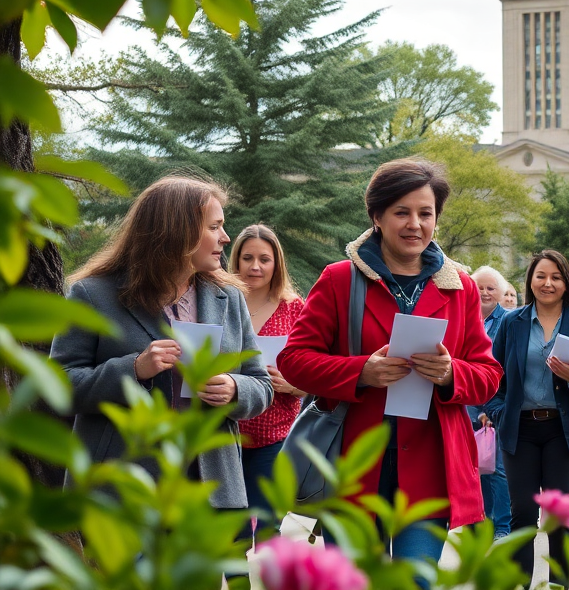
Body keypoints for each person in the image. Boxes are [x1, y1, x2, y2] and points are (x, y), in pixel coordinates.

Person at [278, 158, 503, 569]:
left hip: (430, 469)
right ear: (377, 217)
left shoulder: (461, 288)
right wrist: (359, 372)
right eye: (402, 212)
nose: (415, 224)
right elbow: (293, 360)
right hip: (353, 467)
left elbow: (488, 376)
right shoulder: (339, 280)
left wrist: (452, 374)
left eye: (425, 213)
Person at [53, 176, 272, 517]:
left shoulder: (229, 297)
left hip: (211, 491)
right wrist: (133, 369)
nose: (225, 237)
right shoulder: (93, 295)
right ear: (177, 231)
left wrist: (234, 388)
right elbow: (59, 387)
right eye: (214, 227)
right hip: (120, 493)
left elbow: (262, 385)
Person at [484, 249, 569, 586]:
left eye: (555, 277)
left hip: (564, 430)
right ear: (530, 281)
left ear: (566, 283)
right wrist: (498, 412)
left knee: (558, 516)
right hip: (519, 430)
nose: (548, 283)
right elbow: (492, 375)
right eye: (541, 276)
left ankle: (559, 584)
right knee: (522, 515)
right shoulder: (512, 322)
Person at [229, 224, 307, 541]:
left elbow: (316, 373)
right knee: (231, 533)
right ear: (236, 260)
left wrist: (294, 384)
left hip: (276, 434)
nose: (255, 267)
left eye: (264, 259)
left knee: (266, 531)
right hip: (226, 432)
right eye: (247, 258)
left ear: (277, 264)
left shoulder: (295, 309)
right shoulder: (222, 301)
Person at [469, 265, 511, 539]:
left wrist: (490, 409)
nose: (484, 292)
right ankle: (476, 525)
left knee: (497, 468)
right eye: (479, 287)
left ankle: (502, 527)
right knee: (473, 468)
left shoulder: (509, 320)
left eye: (490, 288)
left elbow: (508, 366)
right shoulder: (464, 316)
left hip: (495, 403)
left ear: (501, 292)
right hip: (466, 402)